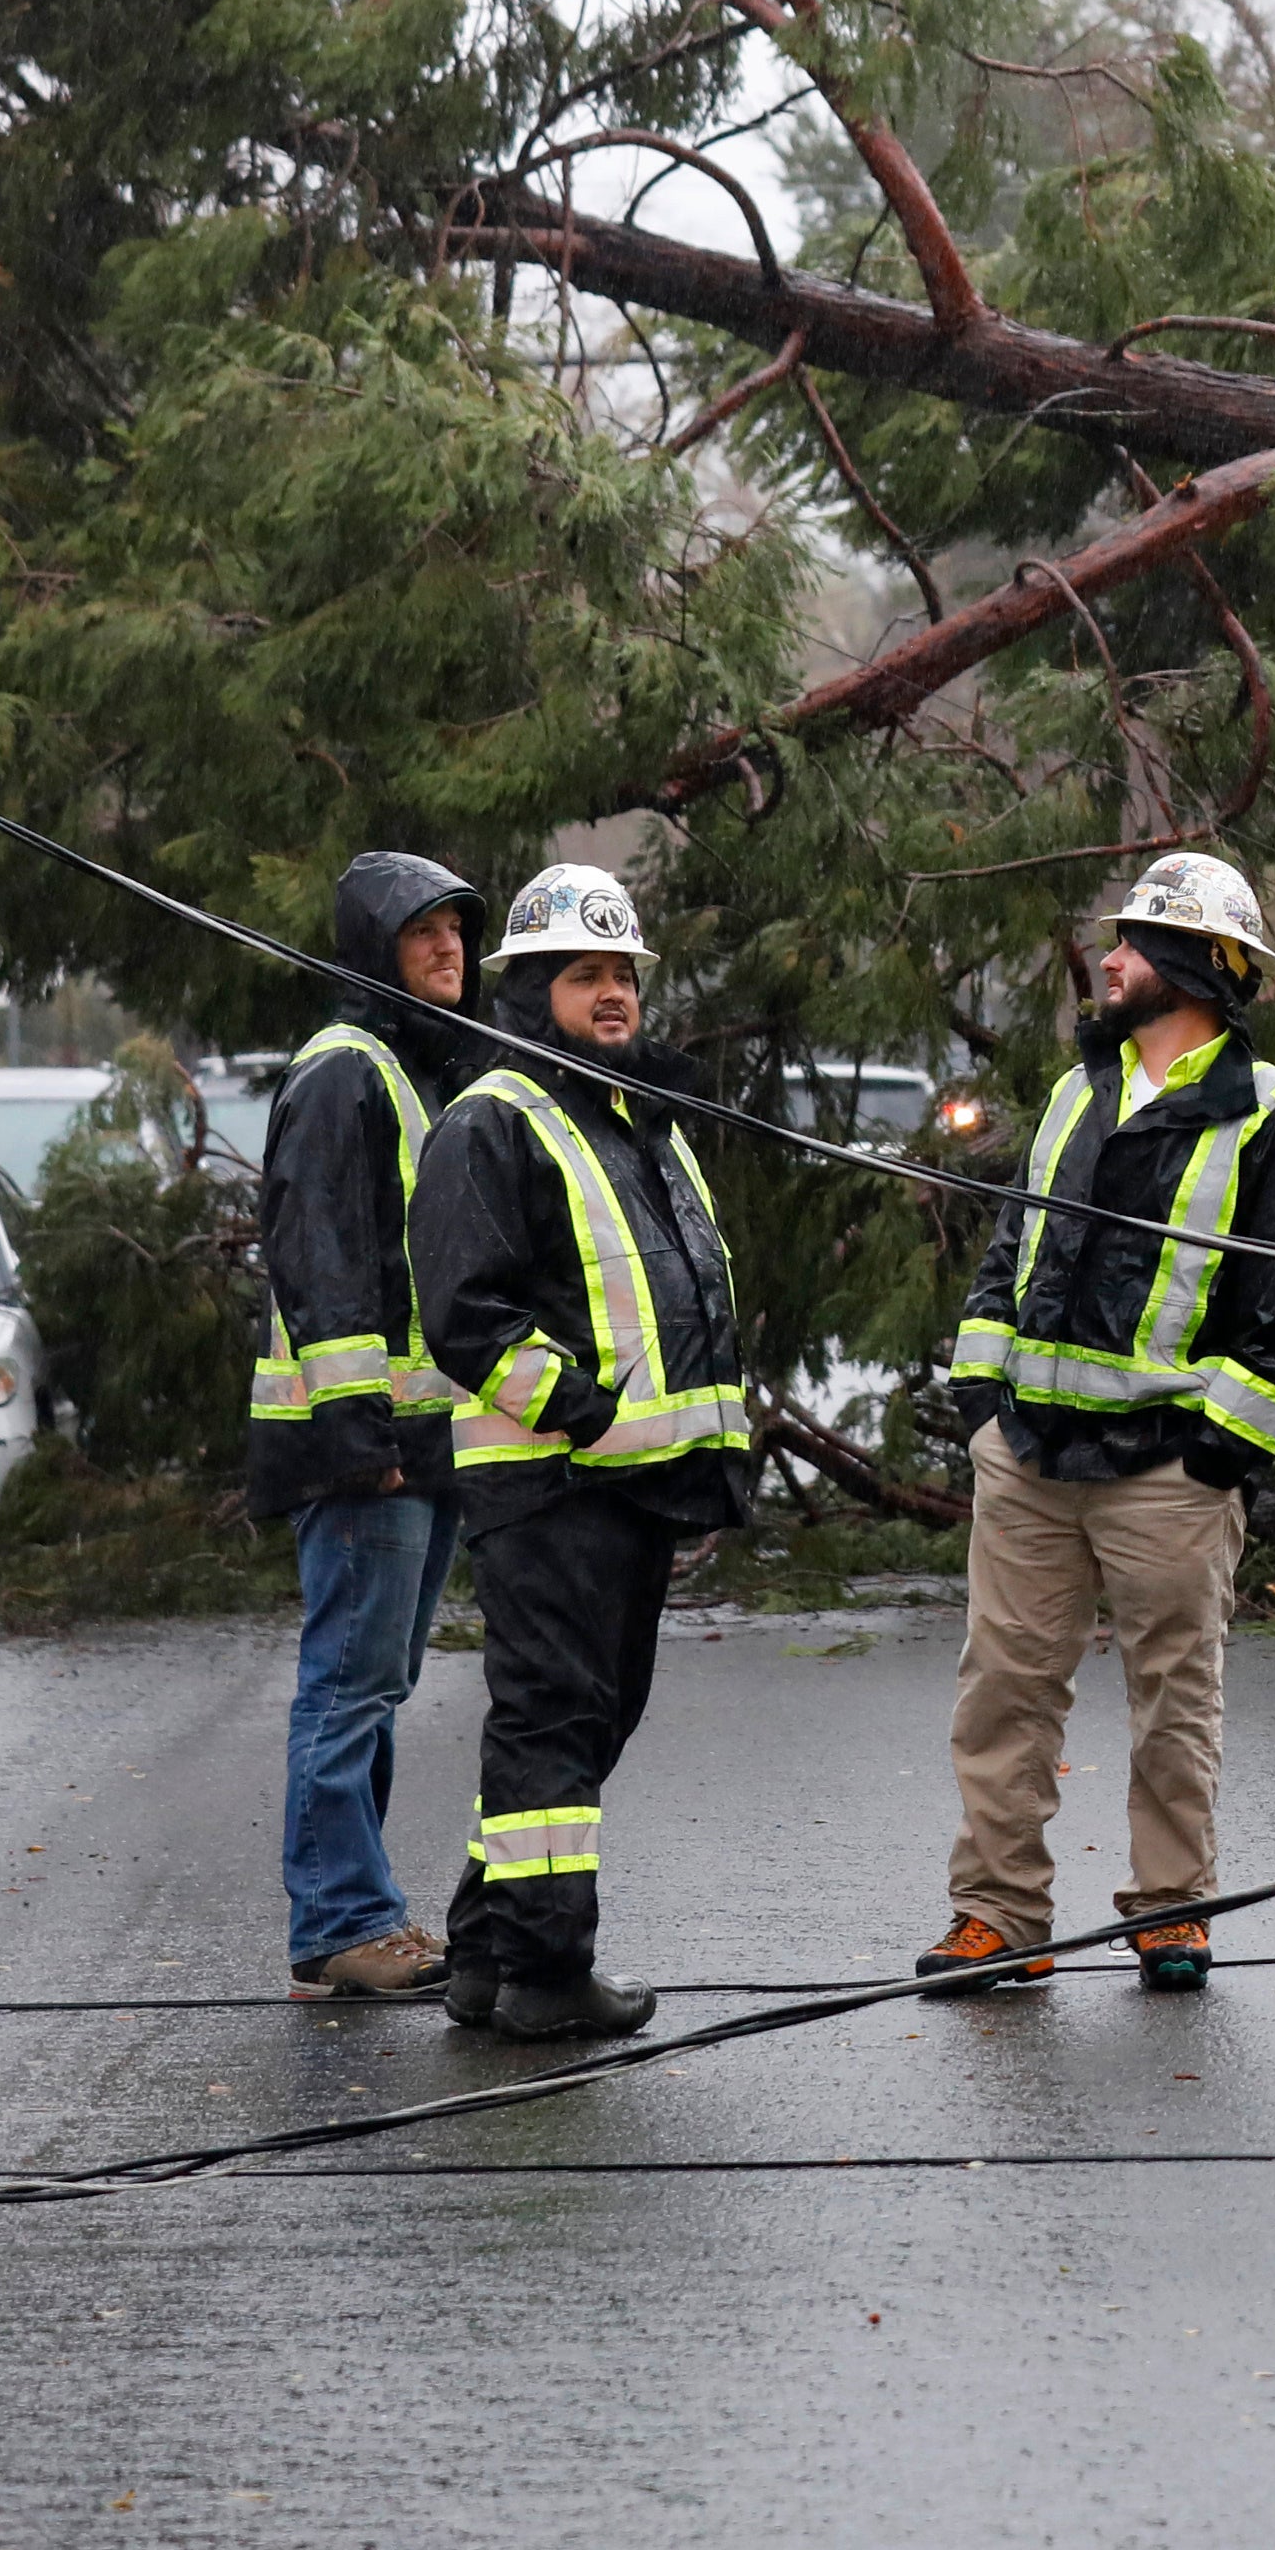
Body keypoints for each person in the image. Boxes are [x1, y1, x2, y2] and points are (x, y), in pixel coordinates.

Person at [920, 851, 1275, 1996]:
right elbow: (1011, 1251)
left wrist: (1220, 1453)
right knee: (1003, 1691)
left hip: (1167, 1472)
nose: (1108, 959)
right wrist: (983, 1403)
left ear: (1192, 968)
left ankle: (1173, 1910)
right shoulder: (1077, 1091)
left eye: (1132, 945)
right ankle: (998, 1917)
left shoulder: (1272, 1117)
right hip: (1033, 1458)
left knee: (1175, 1699)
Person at [408, 861, 752, 2039]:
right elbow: (467, 1313)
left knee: (582, 1722)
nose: (613, 994)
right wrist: (583, 1411)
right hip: (552, 1480)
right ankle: (549, 1977)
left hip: (636, 1484)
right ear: (532, 985)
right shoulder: (494, 1118)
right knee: (555, 1721)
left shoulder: (631, 1119)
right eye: (585, 973)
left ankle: (481, 1954)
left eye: (623, 973)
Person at [245, 853, 482, 2001]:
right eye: (422, 931)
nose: (448, 948)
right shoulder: (347, 1071)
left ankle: (363, 1909)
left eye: (456, 930)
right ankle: (340, 1919)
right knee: (349, 1682)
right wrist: (356, 1426)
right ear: (372, 947)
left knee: (374, 1683)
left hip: (415, 1440)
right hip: (368, 1446)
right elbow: (320, 1249)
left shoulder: (409, 1068)